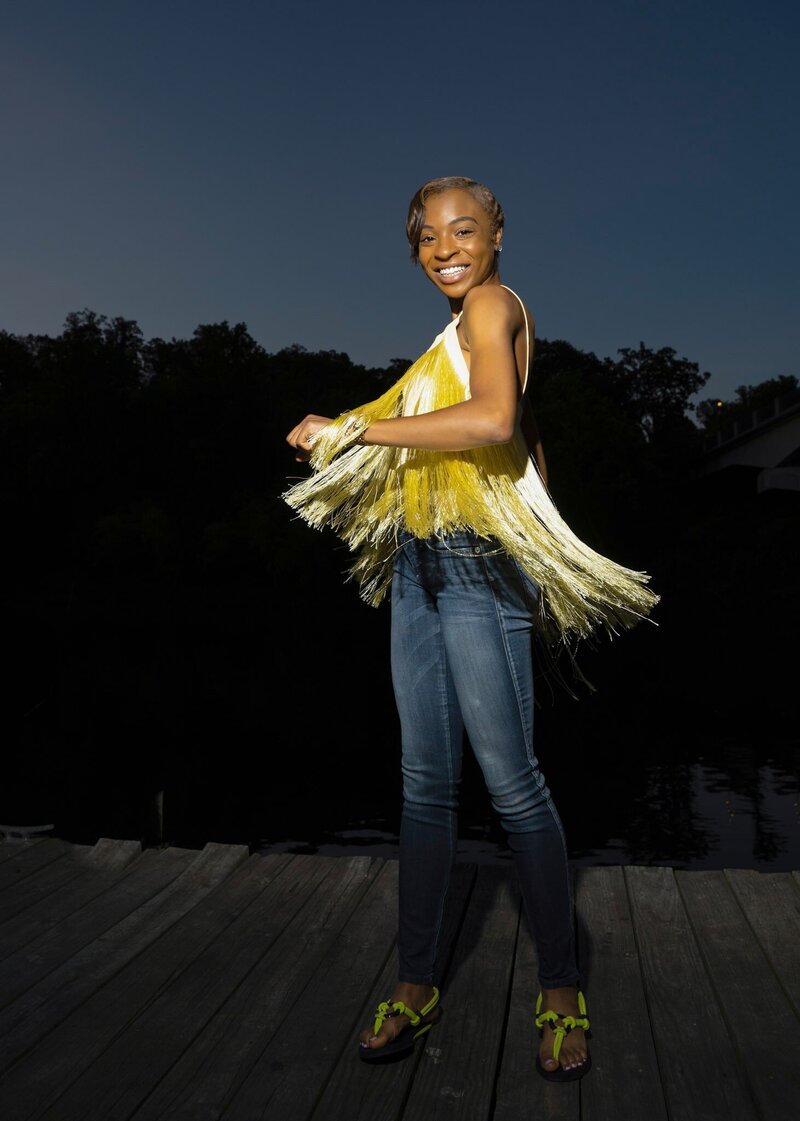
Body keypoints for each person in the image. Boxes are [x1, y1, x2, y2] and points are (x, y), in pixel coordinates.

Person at [284, 175, 659, 1081]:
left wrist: (351, 431)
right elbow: (521, 430)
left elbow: (488, 414)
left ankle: (562, 986)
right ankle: (417, 981)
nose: (445, 246)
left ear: (498, 234)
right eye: (426, 236)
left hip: (473, 572)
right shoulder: (457, 329)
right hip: (418, 566)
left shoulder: (493, 303)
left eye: (464, 227)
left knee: (514, 786)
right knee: (422, 787)